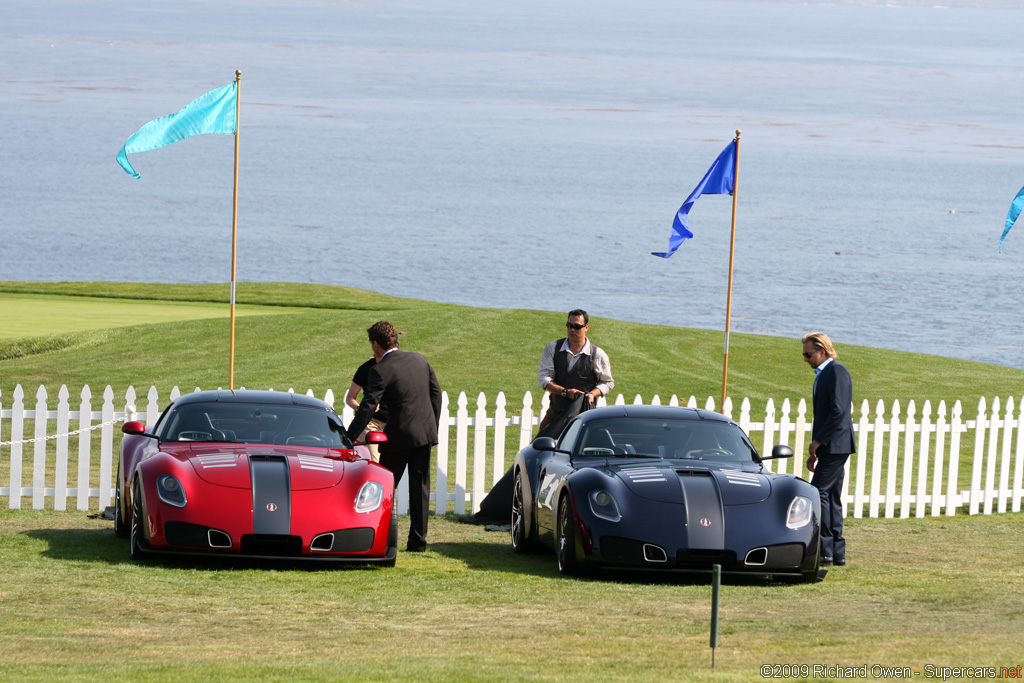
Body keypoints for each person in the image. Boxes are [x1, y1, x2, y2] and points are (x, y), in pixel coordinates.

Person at [346, 321, 442, 552]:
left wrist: (348, 437)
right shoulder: (420, 359)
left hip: (398, 437)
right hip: (424, 434)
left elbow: (368, 407)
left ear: (376, 344)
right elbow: (436, 395)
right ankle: (418, 543)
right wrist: (432, 427)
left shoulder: (380, 369)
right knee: (420, 489)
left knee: (384, 487)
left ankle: (380, 537)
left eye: (371, 344)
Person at [801, 332, 855, 567]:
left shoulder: (836, 371)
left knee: (818, 493)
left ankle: (823, 549)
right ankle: (835, 553)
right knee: (831, 496)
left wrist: (818, 442)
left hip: (836, 444)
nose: (805, 358)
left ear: (822, 351)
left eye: (808, 354)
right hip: (830, 446)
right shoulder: (823, 375)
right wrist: (816, 450)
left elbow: (838, 411)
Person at [537, 309, 614, 433]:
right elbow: (544, 378)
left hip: (585, 417)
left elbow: (607, 382)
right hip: (555, 413)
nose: (572, 330)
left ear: (586, 327)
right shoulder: (552, 348)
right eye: (569, 325)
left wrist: (593, 394)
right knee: (539, 447)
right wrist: (566, 392)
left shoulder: (597, 354)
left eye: (577, 327)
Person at [344, 357, 388, 462]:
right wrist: (362, 408)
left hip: (393, 423)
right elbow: (350, 398)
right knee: (375, 461)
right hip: (371, 422)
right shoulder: (366, 368)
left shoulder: (397, 367)